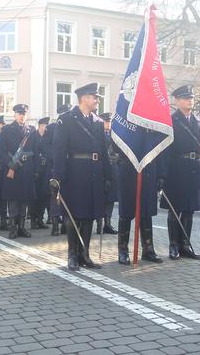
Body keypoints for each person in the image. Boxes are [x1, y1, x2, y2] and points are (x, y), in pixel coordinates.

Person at [51, 83, 111, 271]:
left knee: (89, 216)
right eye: (95, 97)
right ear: (84, 98)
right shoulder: (67, 119)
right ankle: (72, 255)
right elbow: (59, 150)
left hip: (94, 172)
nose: (97, 100)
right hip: (74, 172)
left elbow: (103, 151)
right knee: (74, 215)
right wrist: (57, 177)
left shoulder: (98, 121)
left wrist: (108, 175)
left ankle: (85, 254)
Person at [159, 85, 200, 261]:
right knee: (175, 210)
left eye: (191, 97)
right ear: (177, 101)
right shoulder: (170, 121)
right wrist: (163, 174)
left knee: (189, 210)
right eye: (185, 98)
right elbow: (164, 150)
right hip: (177, 169)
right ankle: (173, 245)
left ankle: (185, 245)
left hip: (195, 169)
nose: (190, 100)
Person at [115, 145, 164, 264]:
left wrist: (162, 174)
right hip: (129, 167)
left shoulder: (153, 125)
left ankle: (148, 249)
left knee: (146, 211)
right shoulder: (124, 125)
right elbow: (116, 143)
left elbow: (161, 147)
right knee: (126, 212)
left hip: (148, 168)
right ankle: (123, 250)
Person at [0, 104, 39, 239]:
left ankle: (22, 227)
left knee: (24, 201)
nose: (22, 116)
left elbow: (36, 151)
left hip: (27, 169)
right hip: (13, 169)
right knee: (13, 201)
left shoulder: (31, 131)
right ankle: (13, 228)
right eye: (20, 113)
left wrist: (35, 169)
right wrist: (9, 163)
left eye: (24, 114)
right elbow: (0, 150)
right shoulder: (7, 130)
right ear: (15, 115)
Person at [47, 104, 70, 236]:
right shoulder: (51, 128)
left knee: (67, 196)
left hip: (69, 167)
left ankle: (65, 225)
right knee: (55, 197)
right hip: (55, 166)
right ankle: (55, 225)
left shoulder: (73, 127)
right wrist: (56, 155)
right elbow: (44, 146)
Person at [98, 112, 118, 235]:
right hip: (101, 170)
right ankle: (99, 224)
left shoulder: (114, 136)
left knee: (110, 198)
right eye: (106, 121)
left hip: (113, 169)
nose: (108, 124)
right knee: (100, 197)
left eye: (109, 122)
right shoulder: (97, 134)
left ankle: (107, 224)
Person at [32, 116, 51, 230]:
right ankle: (33, 219)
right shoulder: (33, 136)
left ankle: (40, 219)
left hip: (45, 169)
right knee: (35, 196)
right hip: (35, 170)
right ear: (39, 126)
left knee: (44, 195)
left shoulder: (49, 137)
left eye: (47, 126)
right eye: (44, 126)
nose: (46, 128)